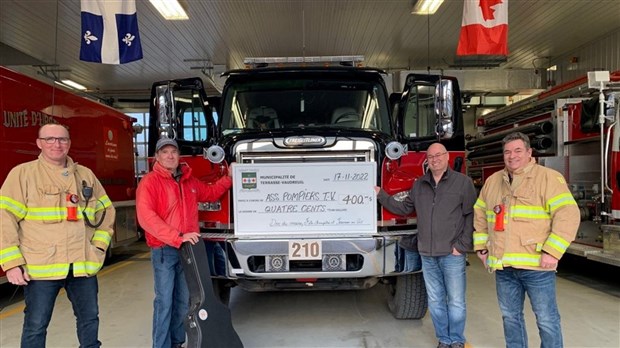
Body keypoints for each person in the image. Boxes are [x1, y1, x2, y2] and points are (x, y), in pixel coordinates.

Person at [0, 123, 115, 348]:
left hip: (82, 265)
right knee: (36, 326)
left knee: (90, 321)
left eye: (62, 139)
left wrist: (98, 247)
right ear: (39, 143)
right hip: (41, 268)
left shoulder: (85, 175)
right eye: (50, 139)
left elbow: (107, 211)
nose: (57, 144)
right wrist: (12, 263)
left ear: (69, 143)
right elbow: (4, 219)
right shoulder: (23, 174)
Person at [473, 132, 580, 348]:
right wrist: (482, 249)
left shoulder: (548, 178)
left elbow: (568, 214)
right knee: (510, 318)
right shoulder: (493, 181)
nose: (512, 156)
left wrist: (552, 251)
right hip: (504, 267)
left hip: (537, 266)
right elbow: (480, 214)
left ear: (529, 152)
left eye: (518, 150)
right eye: (507, 152)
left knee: (547, 320)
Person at [376, 142, 477, 348]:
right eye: (431, 157)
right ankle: (444, 339)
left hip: (452, 253)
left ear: (447, 157)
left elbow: (471, 215)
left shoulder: (463, 183)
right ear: (427, 160)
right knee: (435, 300)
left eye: (438, 155)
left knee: (456, 301)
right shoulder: (419, 184)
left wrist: (462, 245)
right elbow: (403, 208)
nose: (435, 159)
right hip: (427, 253)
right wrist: (381, 194)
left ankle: (456, 339)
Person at [136, 138, 233, 348]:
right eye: (165, 152)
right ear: (157, 156)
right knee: (164, 303)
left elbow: (210, 192)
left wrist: (229, 178)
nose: (170, 156)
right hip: (165, 250)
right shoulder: (150, 182)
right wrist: (176, 237)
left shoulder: (189, 181)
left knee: (183, 301)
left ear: (179, 156)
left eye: (173, 152)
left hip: (188, 251)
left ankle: (177, 342)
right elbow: (147, 217)